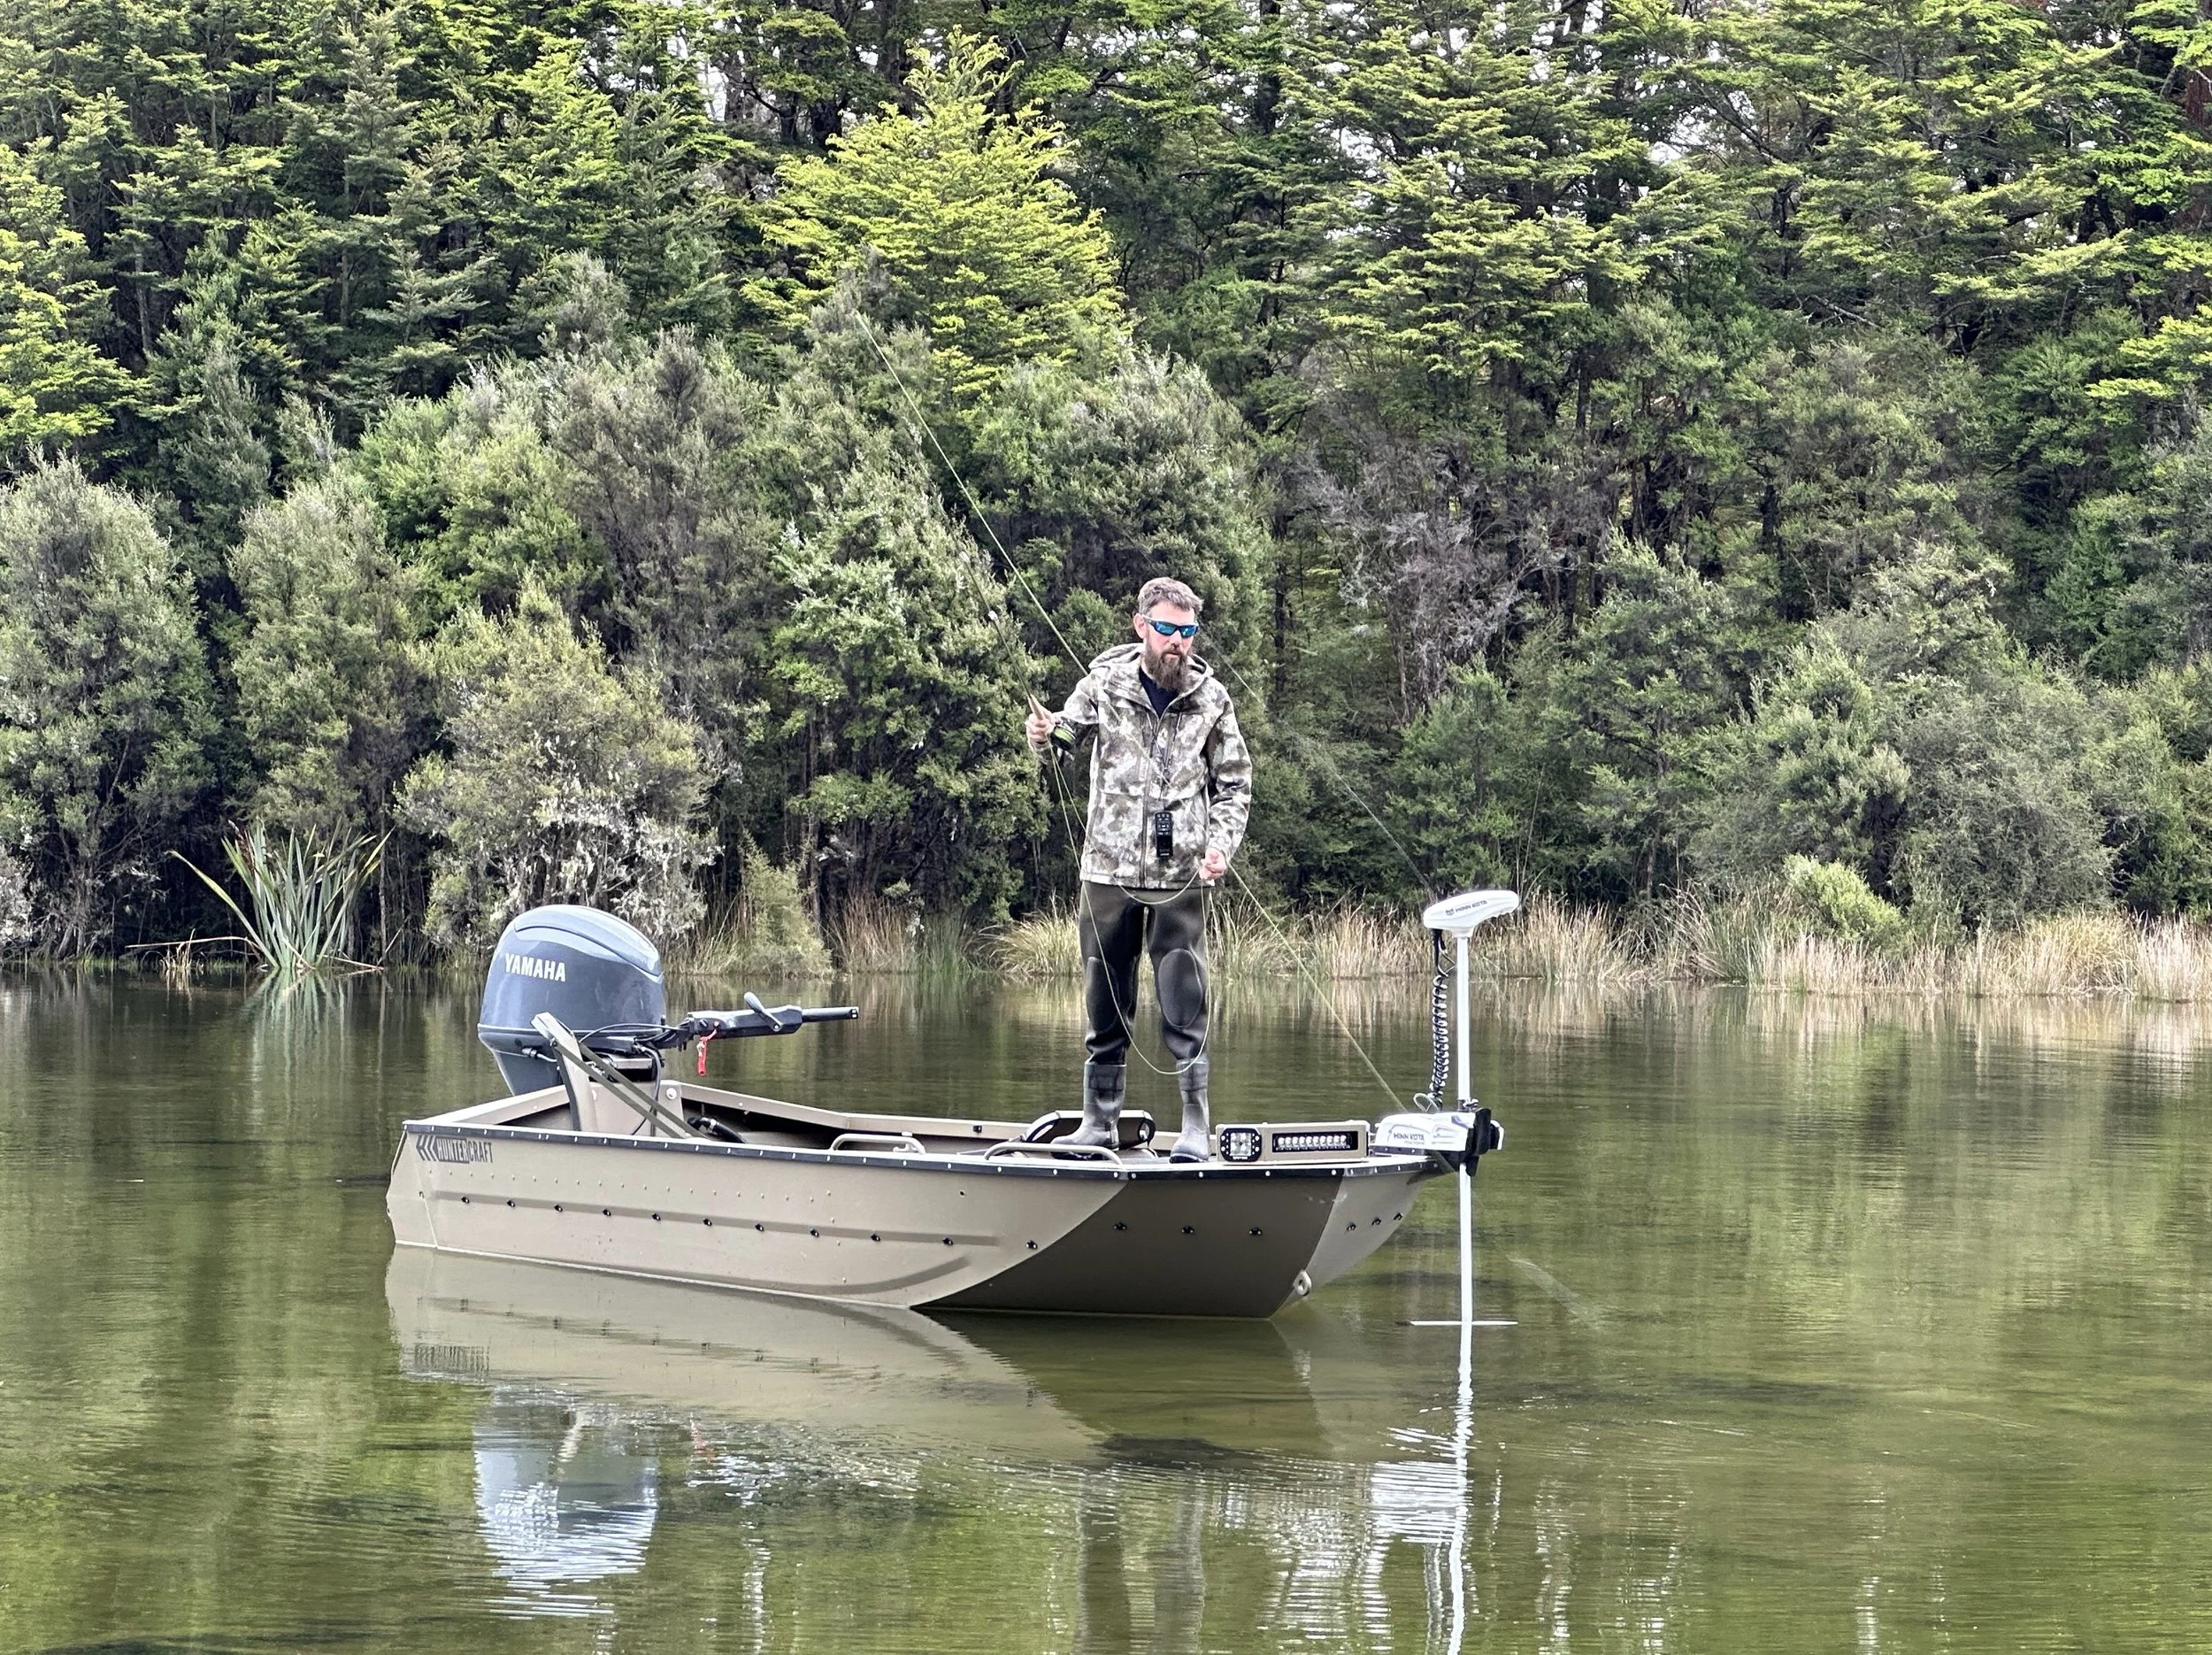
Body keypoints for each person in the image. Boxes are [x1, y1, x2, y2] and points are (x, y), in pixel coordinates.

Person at [1025, 577, 1253, 1159]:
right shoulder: (1104, 682)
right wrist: (1044, 734)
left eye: (1188, 632)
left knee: (1185, 997)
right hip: (1108, 870)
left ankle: (1197, 1125)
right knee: (1105, 998)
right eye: (1169, 630)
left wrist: (1221, 844)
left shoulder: (1211, 696)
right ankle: (1098, 1121)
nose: (1179, 643)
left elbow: (1234, 783)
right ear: (1142, 626)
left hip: (1181, 875)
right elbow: (1066, 736)